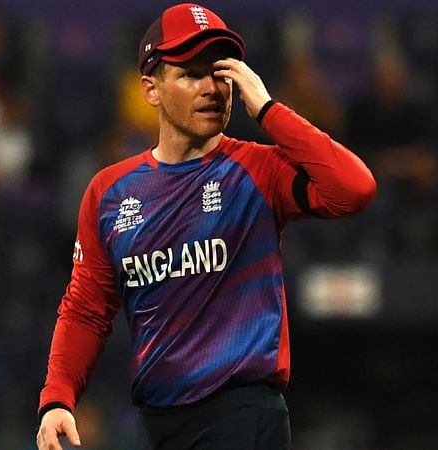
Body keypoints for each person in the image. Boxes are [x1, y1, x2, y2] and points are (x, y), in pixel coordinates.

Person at [36, 4, 376, 449]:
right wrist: (57, 398)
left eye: (221, 73)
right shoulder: (109, 192)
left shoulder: (258, 169)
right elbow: (86, 308)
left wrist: (269, 110)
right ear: (151, 89)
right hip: (158, 423)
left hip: (241, 413)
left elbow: (354, 188)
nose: (212, 88)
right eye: (191, 74)